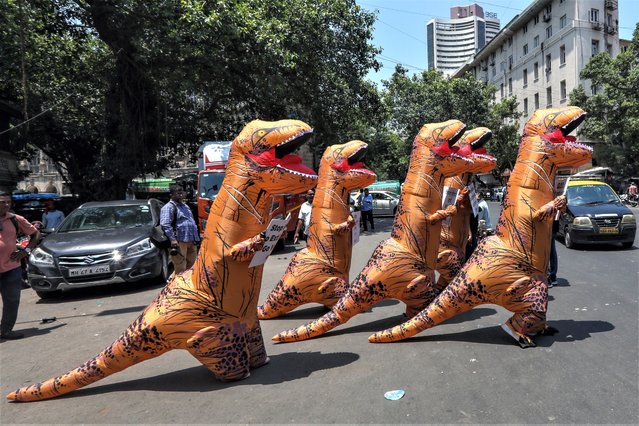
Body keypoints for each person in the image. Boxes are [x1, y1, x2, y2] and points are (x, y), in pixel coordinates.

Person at [0, 191, 40, 340]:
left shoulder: (15, 219)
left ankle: (6, 330)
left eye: (8, 202)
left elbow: (35, 234)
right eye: (2, 202)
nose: (6, 204)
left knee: (11, 301)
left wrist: (26, 251)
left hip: (11, 268)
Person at [160, 185, 200, 274]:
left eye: (182, 193)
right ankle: (178, 286)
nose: (181, 195)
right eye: (178, 193)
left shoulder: (185, 206)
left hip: (191, 240)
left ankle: (189, 286)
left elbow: (191, 221)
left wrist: (196, 238)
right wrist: (173, 239)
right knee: (180, 267)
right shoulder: (168, 207)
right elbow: (165, 224)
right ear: (171, 195)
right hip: (179, 241)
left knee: (193, 266)